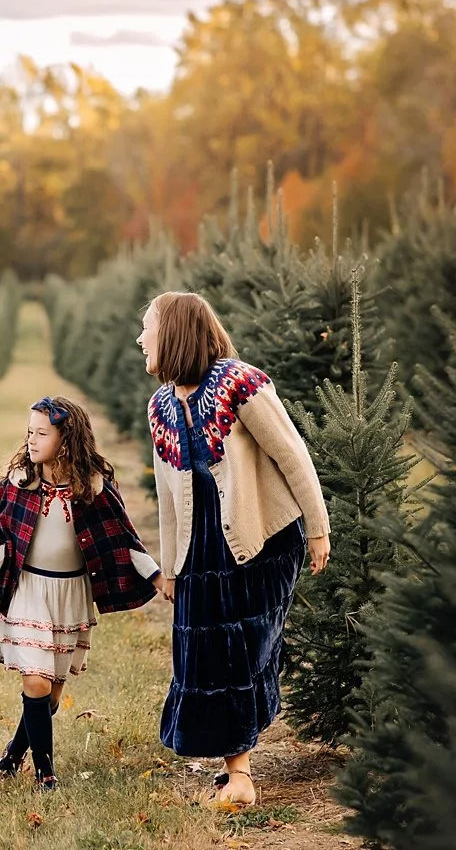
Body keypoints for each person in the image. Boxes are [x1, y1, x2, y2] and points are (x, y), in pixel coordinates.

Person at [138, 291, 331, 809]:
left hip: (260, 540)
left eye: (148, 329)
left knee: (244, 650)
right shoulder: (159, 405)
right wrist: (173, 568)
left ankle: (238, 774)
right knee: (202, 656)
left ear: (174, 333)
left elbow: (292, 454)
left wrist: (318, 527)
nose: (140, 340)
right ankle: (234, 768)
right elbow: (166, 495)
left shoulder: (239, 382)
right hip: (201, 548)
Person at [0, 395, 160, 792]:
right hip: (29, 589)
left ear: (68, 438)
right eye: (29, 432)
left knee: (51, 695)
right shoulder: (18, 485)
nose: (31, 440)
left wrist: (159, 579)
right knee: (36, 684)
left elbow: (125, 541)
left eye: (42, 433)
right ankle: (46, 775)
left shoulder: (92, 488)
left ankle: (13, 753)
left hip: (70, 593)